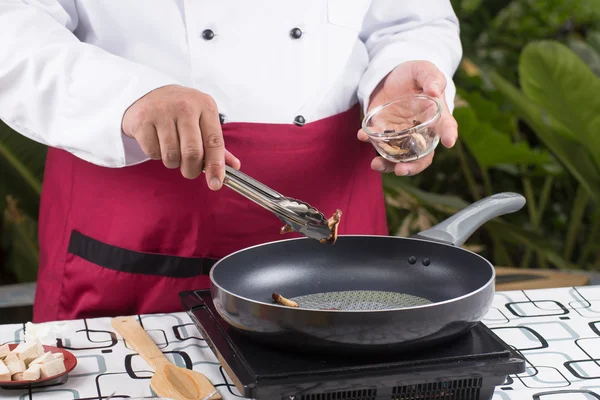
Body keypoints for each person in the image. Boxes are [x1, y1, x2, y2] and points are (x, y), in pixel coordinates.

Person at [0, 1, 462, 322]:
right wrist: (127, 95)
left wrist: (400, 71)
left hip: (333, 199)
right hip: (136, 207)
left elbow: (410, 19)